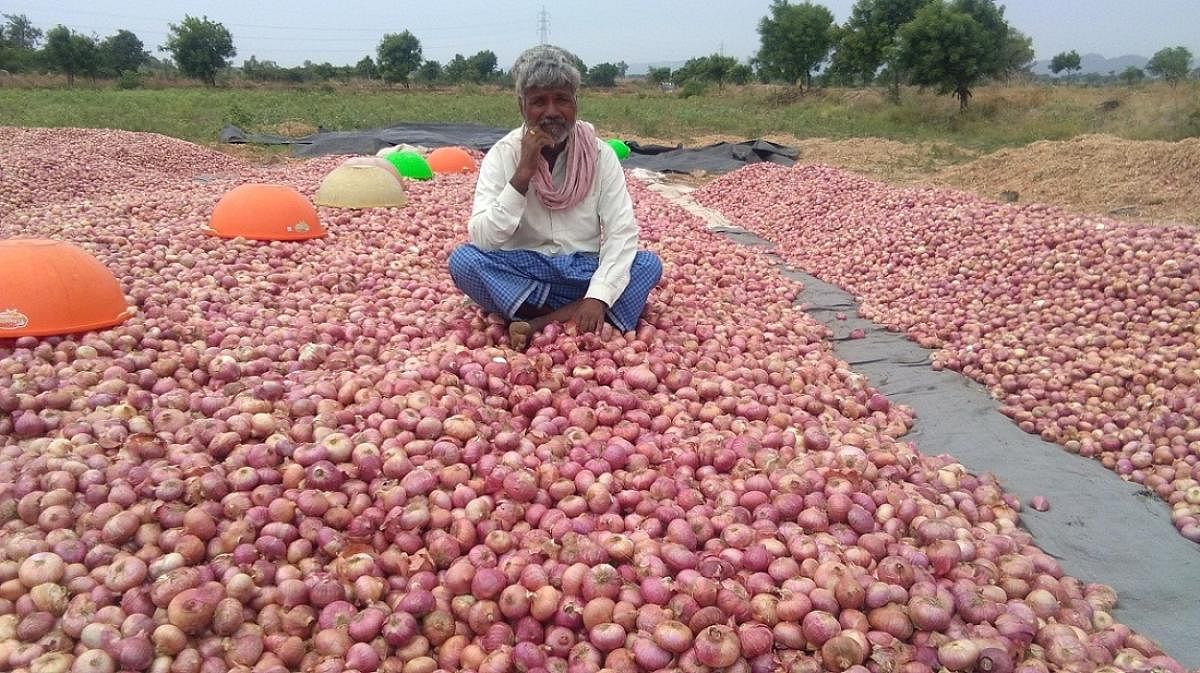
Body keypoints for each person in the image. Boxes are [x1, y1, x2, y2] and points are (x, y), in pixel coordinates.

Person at [448, 44, 663, 351]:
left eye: (561, 99)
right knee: (464, 261)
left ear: (575, 102)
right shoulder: (504, 155)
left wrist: (598, 294)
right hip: (525, 266)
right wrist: (522, 174)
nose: (551, 112)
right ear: (522, 106)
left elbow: (621, 232)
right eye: (539, 102)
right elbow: (484, 239)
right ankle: (576, 317)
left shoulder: (600, 156)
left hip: (582, 271)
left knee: (647, 265)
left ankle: (536, 322)